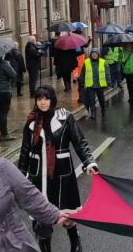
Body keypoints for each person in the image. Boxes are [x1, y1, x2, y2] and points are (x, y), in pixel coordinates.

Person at [18, 86, 97, 251]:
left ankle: (75, 242)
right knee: (40, 219)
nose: (42, 102)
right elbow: (25, 151)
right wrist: (19, 175)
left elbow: (79, 142)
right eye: (39, 99)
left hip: (62, 175)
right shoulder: (32, 122)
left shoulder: (65, 118)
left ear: (52, 99)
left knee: (67, 214)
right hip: (38, 176)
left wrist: (89, 162)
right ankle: (44, 246)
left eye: (46, 98)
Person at [79, 48, 111, 119]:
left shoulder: (103, 62)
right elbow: (82, 73)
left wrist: (108, 81)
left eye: (96, 53)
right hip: (90, 85)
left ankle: (103, 108)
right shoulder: (86, 62)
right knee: (91, 99)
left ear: (98, 54)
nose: (94, 55)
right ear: (90, 54)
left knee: (101, 98)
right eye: (93, 53)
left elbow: (107, 73)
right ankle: (93, 112)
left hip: (100, 85)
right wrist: (81, 81)